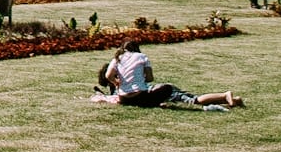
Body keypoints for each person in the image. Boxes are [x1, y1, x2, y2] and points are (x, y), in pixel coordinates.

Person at [92, 42, 242, 109]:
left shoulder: (119, 77)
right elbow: (149, 79)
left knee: (193, 100)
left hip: (156, 92)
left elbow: (108, 79)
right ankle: (232, 99)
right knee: (190, 98)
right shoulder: (137, 60)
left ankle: (224, 96)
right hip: (151, 91)